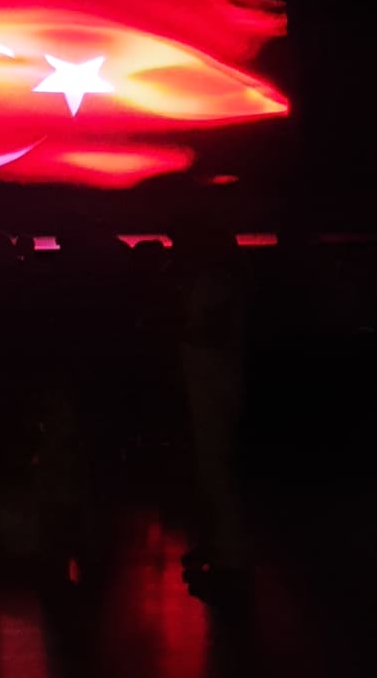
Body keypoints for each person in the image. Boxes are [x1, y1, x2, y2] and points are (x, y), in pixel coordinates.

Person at [170, 215, 250, 603]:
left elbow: (213, 333)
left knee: (218, 474)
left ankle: (229, 561)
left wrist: (174, 329)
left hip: (213, 386)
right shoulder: (220, 280)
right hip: (210, 385)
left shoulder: (214, 284)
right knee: (214, 472)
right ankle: (221, 551)